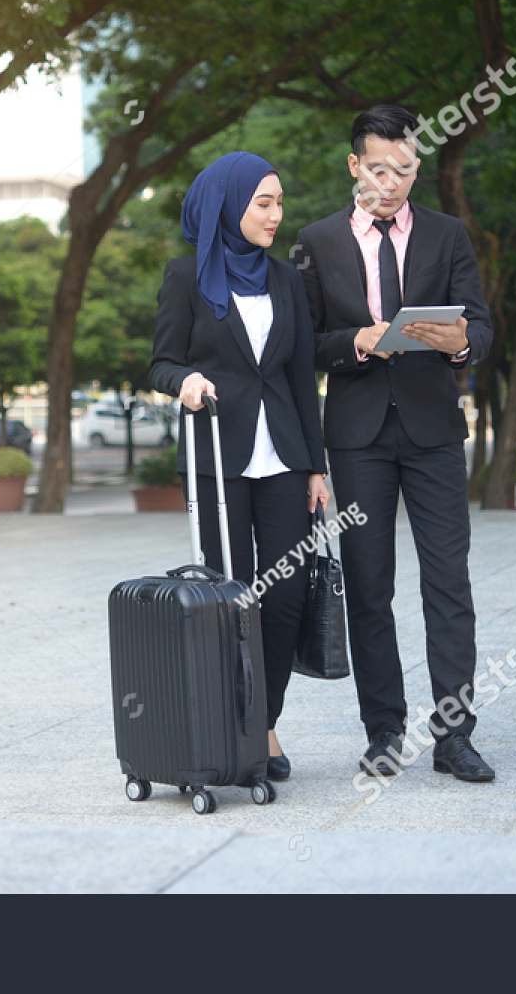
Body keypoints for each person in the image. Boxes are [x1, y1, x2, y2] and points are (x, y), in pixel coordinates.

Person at [296, 105, 497, 783]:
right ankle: (383, 729)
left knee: (449, 582)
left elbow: (482, 324)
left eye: (405, 169)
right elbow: (306, 344)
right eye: (379, 168)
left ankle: (455, 735)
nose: (391, 182)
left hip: (434, 430)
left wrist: (460, 340)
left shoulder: (447, 235)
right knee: (368, 586)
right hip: (357, 438)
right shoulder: (316, 242)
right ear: (356, 166)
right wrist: (353, 341)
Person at [149, 151, 331, 783]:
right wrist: (187, 380)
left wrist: (316, 465)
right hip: (216, 465)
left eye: (280, 202)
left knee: (280, 600)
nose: (276, 215)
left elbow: (302, 377)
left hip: (283, 462)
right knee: (225, 603)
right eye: (263, 203)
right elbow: (160, 362)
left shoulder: (286, 280)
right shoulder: (185, 277)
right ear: (228, 205)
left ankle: (265, 724)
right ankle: (227, 727)